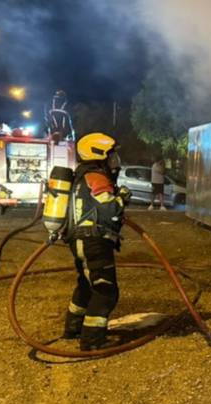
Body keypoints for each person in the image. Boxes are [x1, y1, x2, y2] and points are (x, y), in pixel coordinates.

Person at [63, 132, 131, 350]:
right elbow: (110, 208)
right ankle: (92, 339)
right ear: (99, 154)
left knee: (86, 286)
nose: (114, 161)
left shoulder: (80, 176)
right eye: (111, 155)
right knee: (105, 290)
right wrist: (123, 197)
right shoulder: (96, 177)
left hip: (80, 240)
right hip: (94, 241)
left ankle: (73, 328)